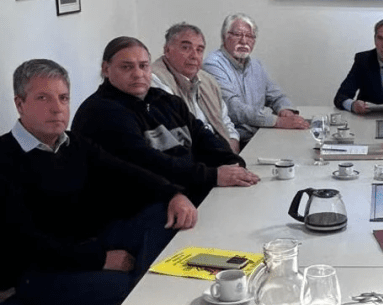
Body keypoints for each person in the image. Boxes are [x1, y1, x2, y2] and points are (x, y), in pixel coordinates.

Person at [0, 59, 197, 305]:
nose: (57, 108)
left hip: (90, 242)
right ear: (20, 104)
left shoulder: (73, 143)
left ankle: (147, 289)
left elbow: (128, 172)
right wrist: (100, 259)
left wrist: (174, 194)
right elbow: (27, 244)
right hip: (41, 271)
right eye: (43, 98)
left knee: (164, 214)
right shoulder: (5, 158)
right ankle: (145, 297)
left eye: (63, 98)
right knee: (129, 290)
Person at [72, 37, 259, 206]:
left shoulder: (166, 101)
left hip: (189, 193)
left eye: (143, 66)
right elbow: (149, 164)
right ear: (106, 69)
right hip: (139, 207)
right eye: (127, 67)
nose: (138, 74)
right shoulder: (101, 112)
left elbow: (203, 137)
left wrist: (233, 164)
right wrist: (213, 176)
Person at [203, 13, 308, 144]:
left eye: (249, 36)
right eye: (237, 35)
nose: (244, 41)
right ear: (224, 37)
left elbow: (276, 95)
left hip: (259, 135)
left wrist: (285, 110)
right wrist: (277, 121)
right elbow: (234, 108)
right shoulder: (213, 64)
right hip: (234, 140)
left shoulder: (256, 65)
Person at [151, 23, 241, 153]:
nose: (194, 56)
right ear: (167, 50)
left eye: (199, 50)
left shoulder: (208, 80)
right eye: (186, 48)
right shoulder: (155, 80)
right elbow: (175, 137)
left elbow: (225, 123)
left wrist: (233, 145)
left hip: (221, 153)